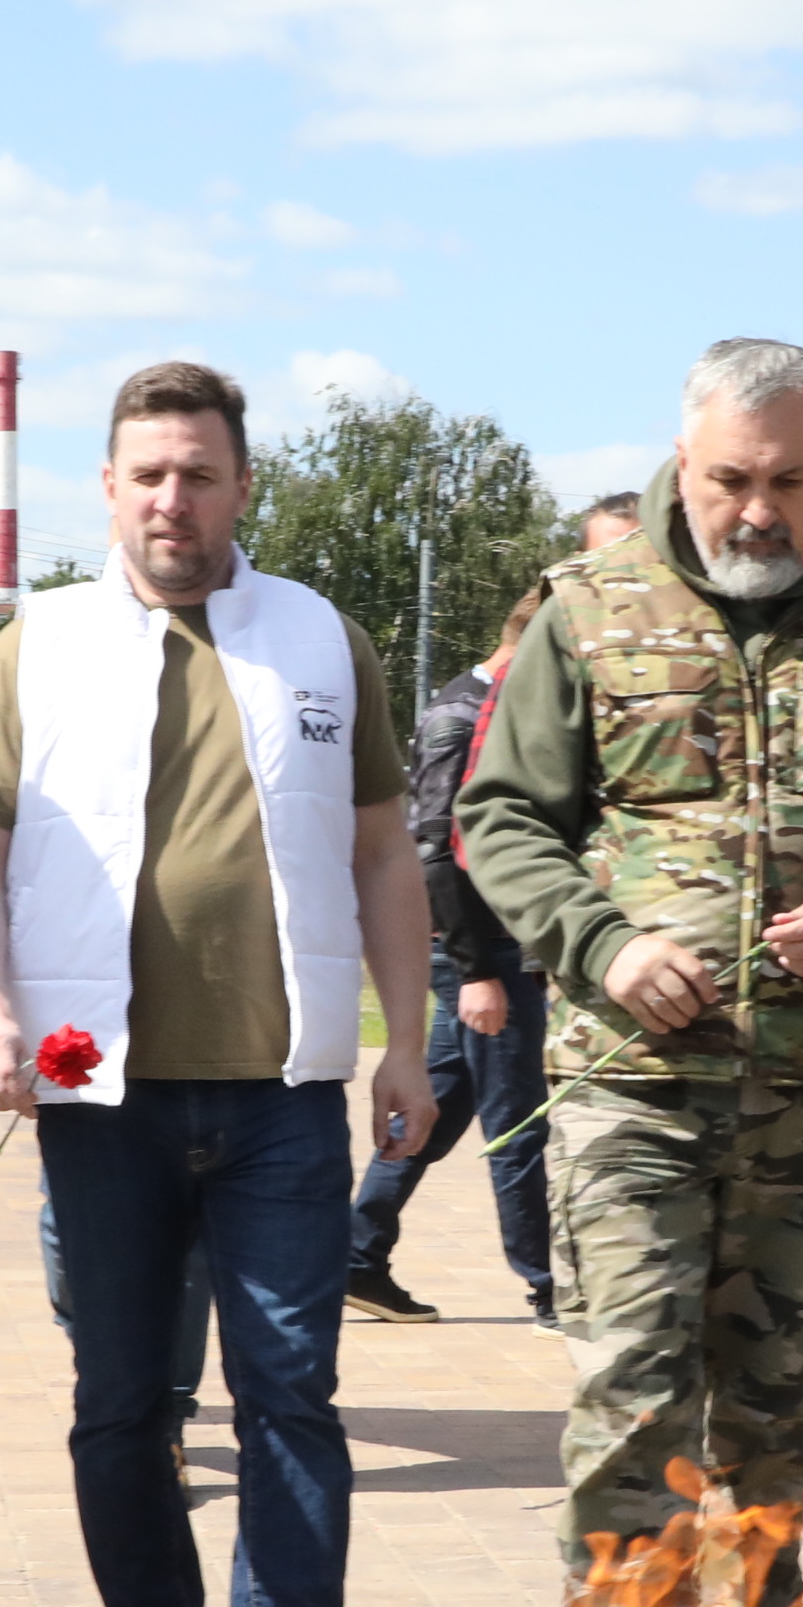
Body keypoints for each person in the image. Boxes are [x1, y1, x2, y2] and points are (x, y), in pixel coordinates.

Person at [459, 338, 803, 1607]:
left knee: (769, 1417)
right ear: (682, 458)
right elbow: (499, 818)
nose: (757, 510)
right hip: (628, 1088)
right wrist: (606, 945)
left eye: (790, 481)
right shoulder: (590, 605)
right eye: (729, 479)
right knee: (636, 1396)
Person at [0, 359, 435, 1607]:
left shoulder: (322, 638)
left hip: (282, 1098)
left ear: (240, 485)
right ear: (107, 489)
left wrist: (406, 1048)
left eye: (199, 475)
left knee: (291, 1398)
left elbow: (386, 854)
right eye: (148, 475)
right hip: (102, 1094)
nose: (174, 500)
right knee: (120, 1408)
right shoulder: (39, 644)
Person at [344, 533, 623, 1328]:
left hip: (494, 953)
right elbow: (431, 849)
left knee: (437, 1111)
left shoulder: (502, 712)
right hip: (478, 954)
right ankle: (547, 1285)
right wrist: (475, 970)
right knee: (519, 1125)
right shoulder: (461, 717)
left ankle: (358, 1257)